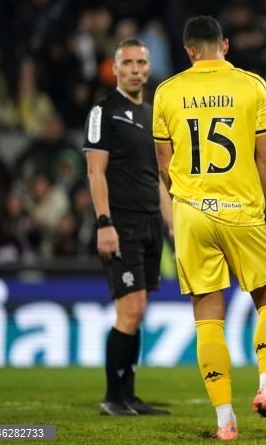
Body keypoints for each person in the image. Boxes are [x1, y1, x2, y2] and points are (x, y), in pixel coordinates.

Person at [152, 15, 266, 441]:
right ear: (226, 45)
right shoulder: (252, 85)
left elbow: (163, 164)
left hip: (192, 213)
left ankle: (224, 422)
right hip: (243, 211)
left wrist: (184, 200)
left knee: (207, 316)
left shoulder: (167, 91)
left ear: (188, 51)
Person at [83, 38, 173, 416]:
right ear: (116, 69)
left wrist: (174, 227)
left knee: (139, 310)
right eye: (129, 63)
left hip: (151, 222)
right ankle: (111, 397)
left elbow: (158, 178)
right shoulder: (104, 111)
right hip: (121, 223)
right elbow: (95, 171)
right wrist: (104, 223)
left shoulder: (154, 114)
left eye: (142, 63)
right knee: (131, 309)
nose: (136, 69)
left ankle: (129, 394)